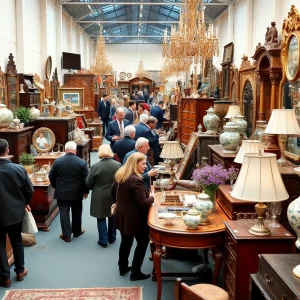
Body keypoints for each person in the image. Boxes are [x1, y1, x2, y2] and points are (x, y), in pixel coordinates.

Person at [111, 152, 154, 281]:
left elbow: (112, 192)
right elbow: (144, 203)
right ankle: (135, 272)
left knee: (126, 241)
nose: (145, 167)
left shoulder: (120, 175)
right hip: (135, 220)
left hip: (121, 216)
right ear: (135, 164)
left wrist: (120, 203)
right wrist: (152, 197)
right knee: (143, 242)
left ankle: (123, 267)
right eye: (143, 164)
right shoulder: (137, 180)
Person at [0, 139, 33, 288]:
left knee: (0, 244)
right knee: (17, 241)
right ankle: (20, 271)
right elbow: (29, 190)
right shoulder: (19, 169)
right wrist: (25, 203)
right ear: (7, 151)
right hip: (15, 213)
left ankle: (4, 277)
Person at [49, 141, 89, 243]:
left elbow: (51, 176)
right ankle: (77, 231)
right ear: (75, 150)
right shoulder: (82, 162)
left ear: (65, 150)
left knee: (64, 213)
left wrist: (56, 186)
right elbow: (86, 180)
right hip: (77, 193)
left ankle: (66, 236)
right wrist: (85, 191)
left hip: (62, 192)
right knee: (77, 212)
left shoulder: (57, 161)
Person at [86, 145, 121, 248]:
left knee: (100, 217)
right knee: (112, 215)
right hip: (114, 193)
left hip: (99, 194)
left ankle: (103, 240)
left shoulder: (95, 166)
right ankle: (112, 237)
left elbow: (88, 183)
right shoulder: (118, 165)